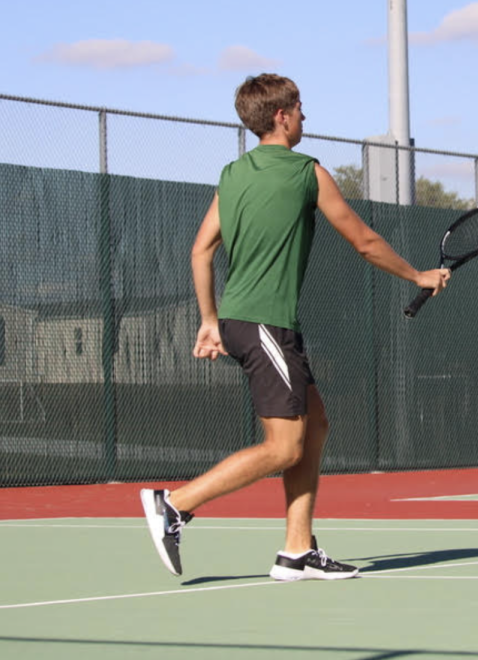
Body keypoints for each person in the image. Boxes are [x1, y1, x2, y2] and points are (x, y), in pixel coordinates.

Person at [139, 74, 450, 580]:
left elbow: (200, 250)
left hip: (250, 322)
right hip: (264, 324)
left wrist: (211, 320)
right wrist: (418, 275)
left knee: (316, 425)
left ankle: (297, 550)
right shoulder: (309, 172)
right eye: (301, 108)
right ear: (282, 117)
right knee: (284, 446)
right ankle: (174, 504)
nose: (306, 116)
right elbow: (365, 242)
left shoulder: (232, 174)